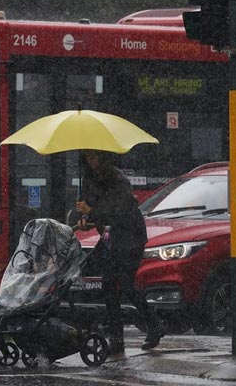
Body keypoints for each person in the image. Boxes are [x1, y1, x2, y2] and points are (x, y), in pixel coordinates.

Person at [75, 149, 165, 355]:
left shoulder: (117, 179)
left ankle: (155, 324)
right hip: (110, 236)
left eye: (95, 157)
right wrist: (85, 217)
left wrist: (91, 212)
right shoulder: (91, 178)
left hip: (130, 236)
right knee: (108, 285)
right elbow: (98, 210)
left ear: (103, 157)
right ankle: (117, 338)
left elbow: (117, 211)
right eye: (88, 158)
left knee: (125, 283)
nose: (91, 162)